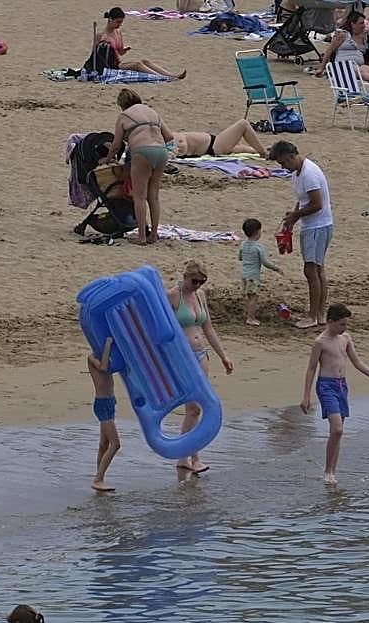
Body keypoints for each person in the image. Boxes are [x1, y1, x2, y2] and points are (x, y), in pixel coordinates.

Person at [300, 303, 369, 485]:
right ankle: (327, 470)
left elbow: (357, 362)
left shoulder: (345, 338)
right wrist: (306, 396)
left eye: (346, 324)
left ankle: (332, 471)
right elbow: (311, 369)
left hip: (341, 386)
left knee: (338, 433)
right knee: (337, 429)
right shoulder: (320, 342)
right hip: (326, 386)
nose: (344, 328)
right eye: (341, 324)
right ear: (330, 322)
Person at [167, 261, 233, 473]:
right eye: (194, 281)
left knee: (196, 408)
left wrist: (223, 355)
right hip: (183, 357)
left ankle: (185, 457)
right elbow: (161, 330)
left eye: (201, 282)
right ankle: (191, 457)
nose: (196, 285)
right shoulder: (173, 296)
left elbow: (208, 328)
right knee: (193, 407)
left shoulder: (200, 295)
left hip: (201, 354)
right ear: (185, 276)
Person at [269, 140, 332, 329]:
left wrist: (296, 215)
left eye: (283, 163)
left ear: (292, 156)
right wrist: (294, 218)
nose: (283, 167)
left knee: (311, 270)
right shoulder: (298, 173)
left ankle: (313, 315)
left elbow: (316, 204)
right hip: (316, 225)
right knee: (318, 270)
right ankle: (320, 313)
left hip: (317, 226)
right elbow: (303, 201)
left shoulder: (309, 174)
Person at [103, 88, 174, 245]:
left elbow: (116, 145)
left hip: (142, 152)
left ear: (122, 105)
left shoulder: (124, 116)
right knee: (153, 196)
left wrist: (108, 159)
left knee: (139, 196)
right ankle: (154, 234)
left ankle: (141, 237)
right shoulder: (152, 112)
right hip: (161, 152)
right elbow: (169, 137)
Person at [99, 7, 186, 79]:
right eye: (118, 22)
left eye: (121, 22)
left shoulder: (118, 32)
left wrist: (124, 50)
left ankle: (172, 75)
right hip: (111, 67)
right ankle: (161, 77)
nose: (120, 25)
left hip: (119, 63)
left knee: (145, 61)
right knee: (137, 64)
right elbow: (95, 55)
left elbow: (120, 53)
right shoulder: (102, 35)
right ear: (110, 19)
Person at [317, 11, 369, 84]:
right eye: (361, 23)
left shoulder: (364, 36)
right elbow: (329, 51)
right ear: (352, 24)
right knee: (361, 71)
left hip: (358, 66)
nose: (364, 25)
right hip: (343, 66)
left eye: (364, 23)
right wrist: (321, 68)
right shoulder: (343, 35)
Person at [86, 337, 120, 492]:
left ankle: (100, 477)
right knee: (115, 444)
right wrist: (107, 345)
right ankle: (98, 479)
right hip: (102, 405)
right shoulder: (92, 357)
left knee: (104, 444)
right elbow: (104, 367)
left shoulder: (107, 355)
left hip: (109, 402)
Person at [239, 218, 280, 327]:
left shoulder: (243, 244)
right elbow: (265, 262)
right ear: (257, 232)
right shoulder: (258, 246)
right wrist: (276, 268)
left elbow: (240, 257)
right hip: (253, 276)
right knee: (254, 297)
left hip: (244, 275)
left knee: (249, 296)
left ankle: (248, 314)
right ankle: (250, 318)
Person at [171, 118, 268, 158]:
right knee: (243, 124)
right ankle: (263, 152)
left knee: (243, 149)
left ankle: (265, 151)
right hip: (214, 146)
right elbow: (182, 149)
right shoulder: (170, 143)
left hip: (213, 143)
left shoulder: (166, 137)